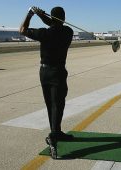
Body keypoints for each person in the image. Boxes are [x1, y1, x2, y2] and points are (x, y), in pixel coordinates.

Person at [19, 6, 74, 159]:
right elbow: (54, 24)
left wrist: (31, 14)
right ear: (63, 18)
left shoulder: (44, 32)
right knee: (58, 104)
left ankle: (57, 132)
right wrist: (42, 15)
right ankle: (53, 136)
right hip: (58, 72)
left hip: (44, 72)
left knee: (51, 104)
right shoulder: (68, 32)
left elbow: (22, 30)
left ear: (52, 17)